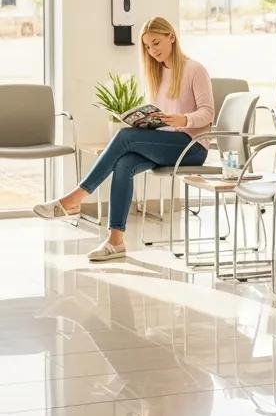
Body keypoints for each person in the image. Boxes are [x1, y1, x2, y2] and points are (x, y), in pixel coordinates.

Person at [33, 16, 213, 262]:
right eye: (148, 46)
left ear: (171, 37)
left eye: (156, 43)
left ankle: (74, 199)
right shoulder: (158, 73)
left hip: (192, 147)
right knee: (124, 163)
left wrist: (183, 119)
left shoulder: (195, 69)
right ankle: (115, 241)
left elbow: (208, 112)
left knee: (124, 136)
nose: (153, 51)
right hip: (167, 143)